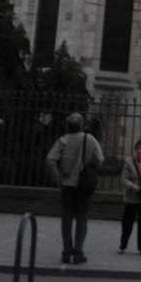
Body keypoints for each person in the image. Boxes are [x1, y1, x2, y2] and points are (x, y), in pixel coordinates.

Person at [46, 112, 104, 265]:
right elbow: (100, 160)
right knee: (82, 218)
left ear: (68, 125)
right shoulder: (90, 139)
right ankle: (78, 252)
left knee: (66, 219)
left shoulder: (63, 140)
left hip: (67, 185)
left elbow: (50, 159)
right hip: (84, 185)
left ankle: (66, 251)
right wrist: (89, 165)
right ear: (82, 124)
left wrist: (58, 177)